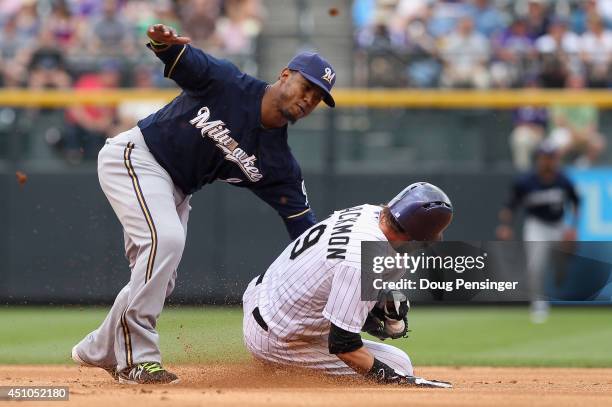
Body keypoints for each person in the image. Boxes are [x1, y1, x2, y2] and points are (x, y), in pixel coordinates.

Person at [71, 23, 337, 384]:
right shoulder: (227, 83)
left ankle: (99, 348)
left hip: (175, 189)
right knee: (165, 241)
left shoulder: (279, 165)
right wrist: (162, 43)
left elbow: (305, 229)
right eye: (307, 86)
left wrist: (337, 271)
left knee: (159, 276)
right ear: (285, 75)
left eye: (318, 96)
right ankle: (138, 359)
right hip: (136, 157)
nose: (309, 99)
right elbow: (182, 58)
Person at [242, 182, 453, 387]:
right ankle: (288, 373)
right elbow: (343, 344)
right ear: (416, 236)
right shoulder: (364, 260)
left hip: (263, 296)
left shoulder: (368, 212)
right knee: (399, 364)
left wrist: (379, 308)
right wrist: (398, 380)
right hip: (277, 338)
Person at [496, 142, 580, 323]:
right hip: (536, 225)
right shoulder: (526, 181)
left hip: (558, 224)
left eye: (551, 157)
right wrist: (505, 225)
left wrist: (573, 228)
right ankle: (539, 303)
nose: (548, 162)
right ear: (539, 159)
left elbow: (576, 203)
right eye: (545, 157)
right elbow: (509, 206)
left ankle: (560, 270)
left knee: (563, 258)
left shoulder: (563, 179)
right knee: (535, 265)